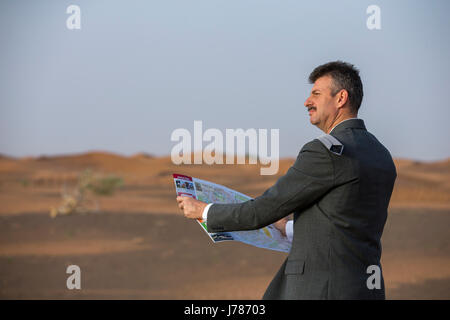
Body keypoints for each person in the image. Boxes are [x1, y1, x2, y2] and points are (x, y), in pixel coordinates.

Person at [176, 61, 397, 299]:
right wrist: (288, 228)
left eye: (316, 93)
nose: (307, 101)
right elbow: (347, 222)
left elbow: (263, 210)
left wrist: (205, 211)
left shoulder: (326, 151)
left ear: (341, 98)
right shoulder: (380, 153)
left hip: (322, 289)